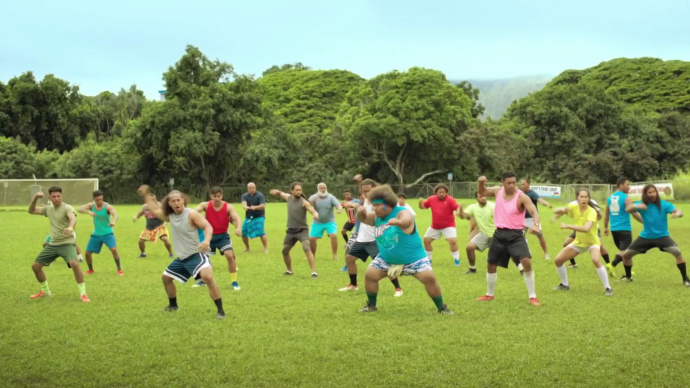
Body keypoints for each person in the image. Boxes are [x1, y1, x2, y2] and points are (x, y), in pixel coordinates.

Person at [356, 184, 452, 314]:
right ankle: (371, 306)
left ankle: (442, 308)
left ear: (388, 203)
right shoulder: (377, 216)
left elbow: (407, 220)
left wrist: (398, 222)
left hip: (414, 259)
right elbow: (364, 219)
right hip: (386, 259)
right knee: (370, 276)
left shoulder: (402, 212)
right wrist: (360, 212)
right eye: (374, 205)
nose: (375, 208)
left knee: (429, 279)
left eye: (378, 205)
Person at [137, 185, 226, 319]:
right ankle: (173, 306)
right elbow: (154, 209)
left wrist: (207, 241)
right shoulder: (171, 216)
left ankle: (220, 311)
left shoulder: (191, 214)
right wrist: (146, 194)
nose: (177, 203)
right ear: (169, 203)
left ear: (183, 201)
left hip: (196, 254)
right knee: (166, 278)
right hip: (182, 258)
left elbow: (207, 226)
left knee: (207, 277)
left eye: (179, 200)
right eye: (173, 201)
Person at [476, 172, 542, 306]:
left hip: (516, 235)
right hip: (499, 234)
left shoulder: (521, 197)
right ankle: (489, 294)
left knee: (526, 261)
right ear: (503, 182)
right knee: (491, 264)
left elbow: (534, 211)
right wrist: (481, 183)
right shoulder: (497, 191)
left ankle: (532, 297)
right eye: (509, 183)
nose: (512, 185)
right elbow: (482, 192)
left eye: (514, 182)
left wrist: (536, 225)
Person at [339, 176, 403, 297]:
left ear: (375, 190)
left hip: (375, 240)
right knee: (349, 258)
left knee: (385, 264)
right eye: (364, 191)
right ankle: (353, 285)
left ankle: (398, 288)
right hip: (362, 239)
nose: (366, 193)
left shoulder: (379, 203)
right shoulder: (365, 201)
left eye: (369, 190)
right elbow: (358, 199)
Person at [28, 187, 90, 302]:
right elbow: (31, 211)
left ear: (61, 196)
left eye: (58, 196)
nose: (56, 199)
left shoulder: (67, 208)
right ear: (49, 197)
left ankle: (83, 294)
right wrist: (35, 197)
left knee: (74, 264)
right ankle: (45, 291)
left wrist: (70, 228)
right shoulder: (49, 209)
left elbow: (73, 218)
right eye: (54, 196)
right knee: (35, 267)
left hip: (67, 243)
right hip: (52, 245)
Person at [618, 184, 688, 286]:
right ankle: (628, 277)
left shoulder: (664, 204)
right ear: (645, 194)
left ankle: (685, 279)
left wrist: (678, 213)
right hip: (646, 237)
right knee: (626, 255)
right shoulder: (642, 205)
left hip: (662, 237)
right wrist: (637, 206)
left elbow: (678, 211)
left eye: (654, 192)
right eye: (649, 192)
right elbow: (628, 210)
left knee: (677, 252)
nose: (652, 194)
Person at [551, 189, 613, 296]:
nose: (584, 199)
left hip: (592, 242)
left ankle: (608, 288)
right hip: (579, 242)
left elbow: (586, 228)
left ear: (588, 198)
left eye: (586, 197)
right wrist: (558, 211)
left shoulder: (591, 211)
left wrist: (567, 226)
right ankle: (565, 285)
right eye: (581, 196)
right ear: (577, 198)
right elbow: (561, 211)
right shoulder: (574, 208)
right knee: (558, 260)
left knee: (595, 260)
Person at [195, 187, 243, 290]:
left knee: (229, 255)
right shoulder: (205, 205)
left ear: (222, 195)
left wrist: (238, 228)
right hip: (208, 236)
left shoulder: (228, 207)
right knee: (203, 258)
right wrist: (195, 214)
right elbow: (195, 210)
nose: (217, 198)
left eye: (219, 196)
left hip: (223, 236)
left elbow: (236, 217)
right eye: (214, 196)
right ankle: (201, 280)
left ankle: (234, 281)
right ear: (211, 196)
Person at [270, 183, 320, 278]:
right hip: (291, 230)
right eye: (297, 190)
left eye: (300, 190)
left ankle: (314, 272)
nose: (299, 192)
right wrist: (276, 192)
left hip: (302, 230)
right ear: (292, 191)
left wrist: (315, 214)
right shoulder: (289, 198)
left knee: (306, 247)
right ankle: (289, 271)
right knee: (284, 251)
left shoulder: (304, 202)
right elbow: (281, 194)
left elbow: (312, 210)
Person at [605, 177, 643, 277]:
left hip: (614, 229)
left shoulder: (610, 198)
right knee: (625, 252)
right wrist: (644, 222)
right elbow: (634, 212)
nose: (629, 187)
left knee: (626, 252)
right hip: (624, 229)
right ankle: (612, 264)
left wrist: (605, 227)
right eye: (627, 184)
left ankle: (628, 273)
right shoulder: (626, 198)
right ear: (621, 185)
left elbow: (606, 214)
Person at [78, 190, 122, 276]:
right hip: (96, 234)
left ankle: (119, 269)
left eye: (101, 199)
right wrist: (89, 212)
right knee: (87, 253)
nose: (99, 201)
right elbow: (80, 209)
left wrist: (113, 222)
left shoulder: (107, 207)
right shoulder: (92, 206)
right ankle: (91, 270)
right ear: (94, 199)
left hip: (107, 233)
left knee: (113, 249)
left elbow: (115, 214)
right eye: (97, 199)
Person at [418, 184, 462, 266]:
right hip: (435, 226)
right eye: (440, 192)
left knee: (452, 241)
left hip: (449, 225)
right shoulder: (431, 199)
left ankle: (456, 260)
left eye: (443, 192)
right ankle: (429, 260)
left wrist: (459, 211)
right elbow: (423, 207)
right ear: (436, 193)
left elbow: (457, 207)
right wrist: (420, 203)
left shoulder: (450, 200)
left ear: (446, 192)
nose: (442, 194)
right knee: (426, 240)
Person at [457, 191, 495, 275]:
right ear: (476, 198)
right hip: (484, 233)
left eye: (484, 196)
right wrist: (461, 211)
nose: (482, 198)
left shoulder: (493, 206)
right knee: (469, 247)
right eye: (480, 196)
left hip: (496, 234)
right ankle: (472, 269)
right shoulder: (473, 207)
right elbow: (464, 216)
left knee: (509, 250)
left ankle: (522, 268)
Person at [133, 193, 174, 258]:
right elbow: (140, 213)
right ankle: (143, 254)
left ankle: (171, 253)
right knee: (140, 241)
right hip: (149, 228)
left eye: (154, 199)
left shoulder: (160, 206)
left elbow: (167, 215)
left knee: (165, 239)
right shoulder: (145, 207)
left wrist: (166, 221)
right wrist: (136, 217)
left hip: (160, 227)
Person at [309, 183, 343, 261]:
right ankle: (312, 256)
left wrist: (339, 209)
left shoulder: (331, 197)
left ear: (326, 188)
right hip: (317, 222)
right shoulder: (314, 197)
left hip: (329, 221)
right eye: (321, 188)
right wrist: (311, 205)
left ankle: (335, 255)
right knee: (312, 239)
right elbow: (308, 205)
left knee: (333, 236)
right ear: (318, 189)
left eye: (324, 188)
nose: (323, 189)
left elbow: (338, 205)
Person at [520, 178, 552, 260]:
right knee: (520, 236)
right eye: (521, 184)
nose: (522, 185)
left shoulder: (532, 193)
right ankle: (525, 254)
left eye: (523, 184)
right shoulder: (519, 193)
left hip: (533, 219)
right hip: (522, 219)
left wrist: (546, 203)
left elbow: (540, 200)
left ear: (528, 184)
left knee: (540, 235)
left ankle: (546, 254)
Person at [240, 182, 268, 253]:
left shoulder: (260, 195)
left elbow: (262, 206)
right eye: (250, 188)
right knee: (243, 232)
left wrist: (255, 207)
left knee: (261, 231)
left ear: (255, 187)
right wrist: (245, 207)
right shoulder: (244, 195)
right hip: (249, 217)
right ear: (247, 189)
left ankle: (265, 248)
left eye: (253, 188)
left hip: (259, 216)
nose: (252, 189)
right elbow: (244, 203)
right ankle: (247, 248)